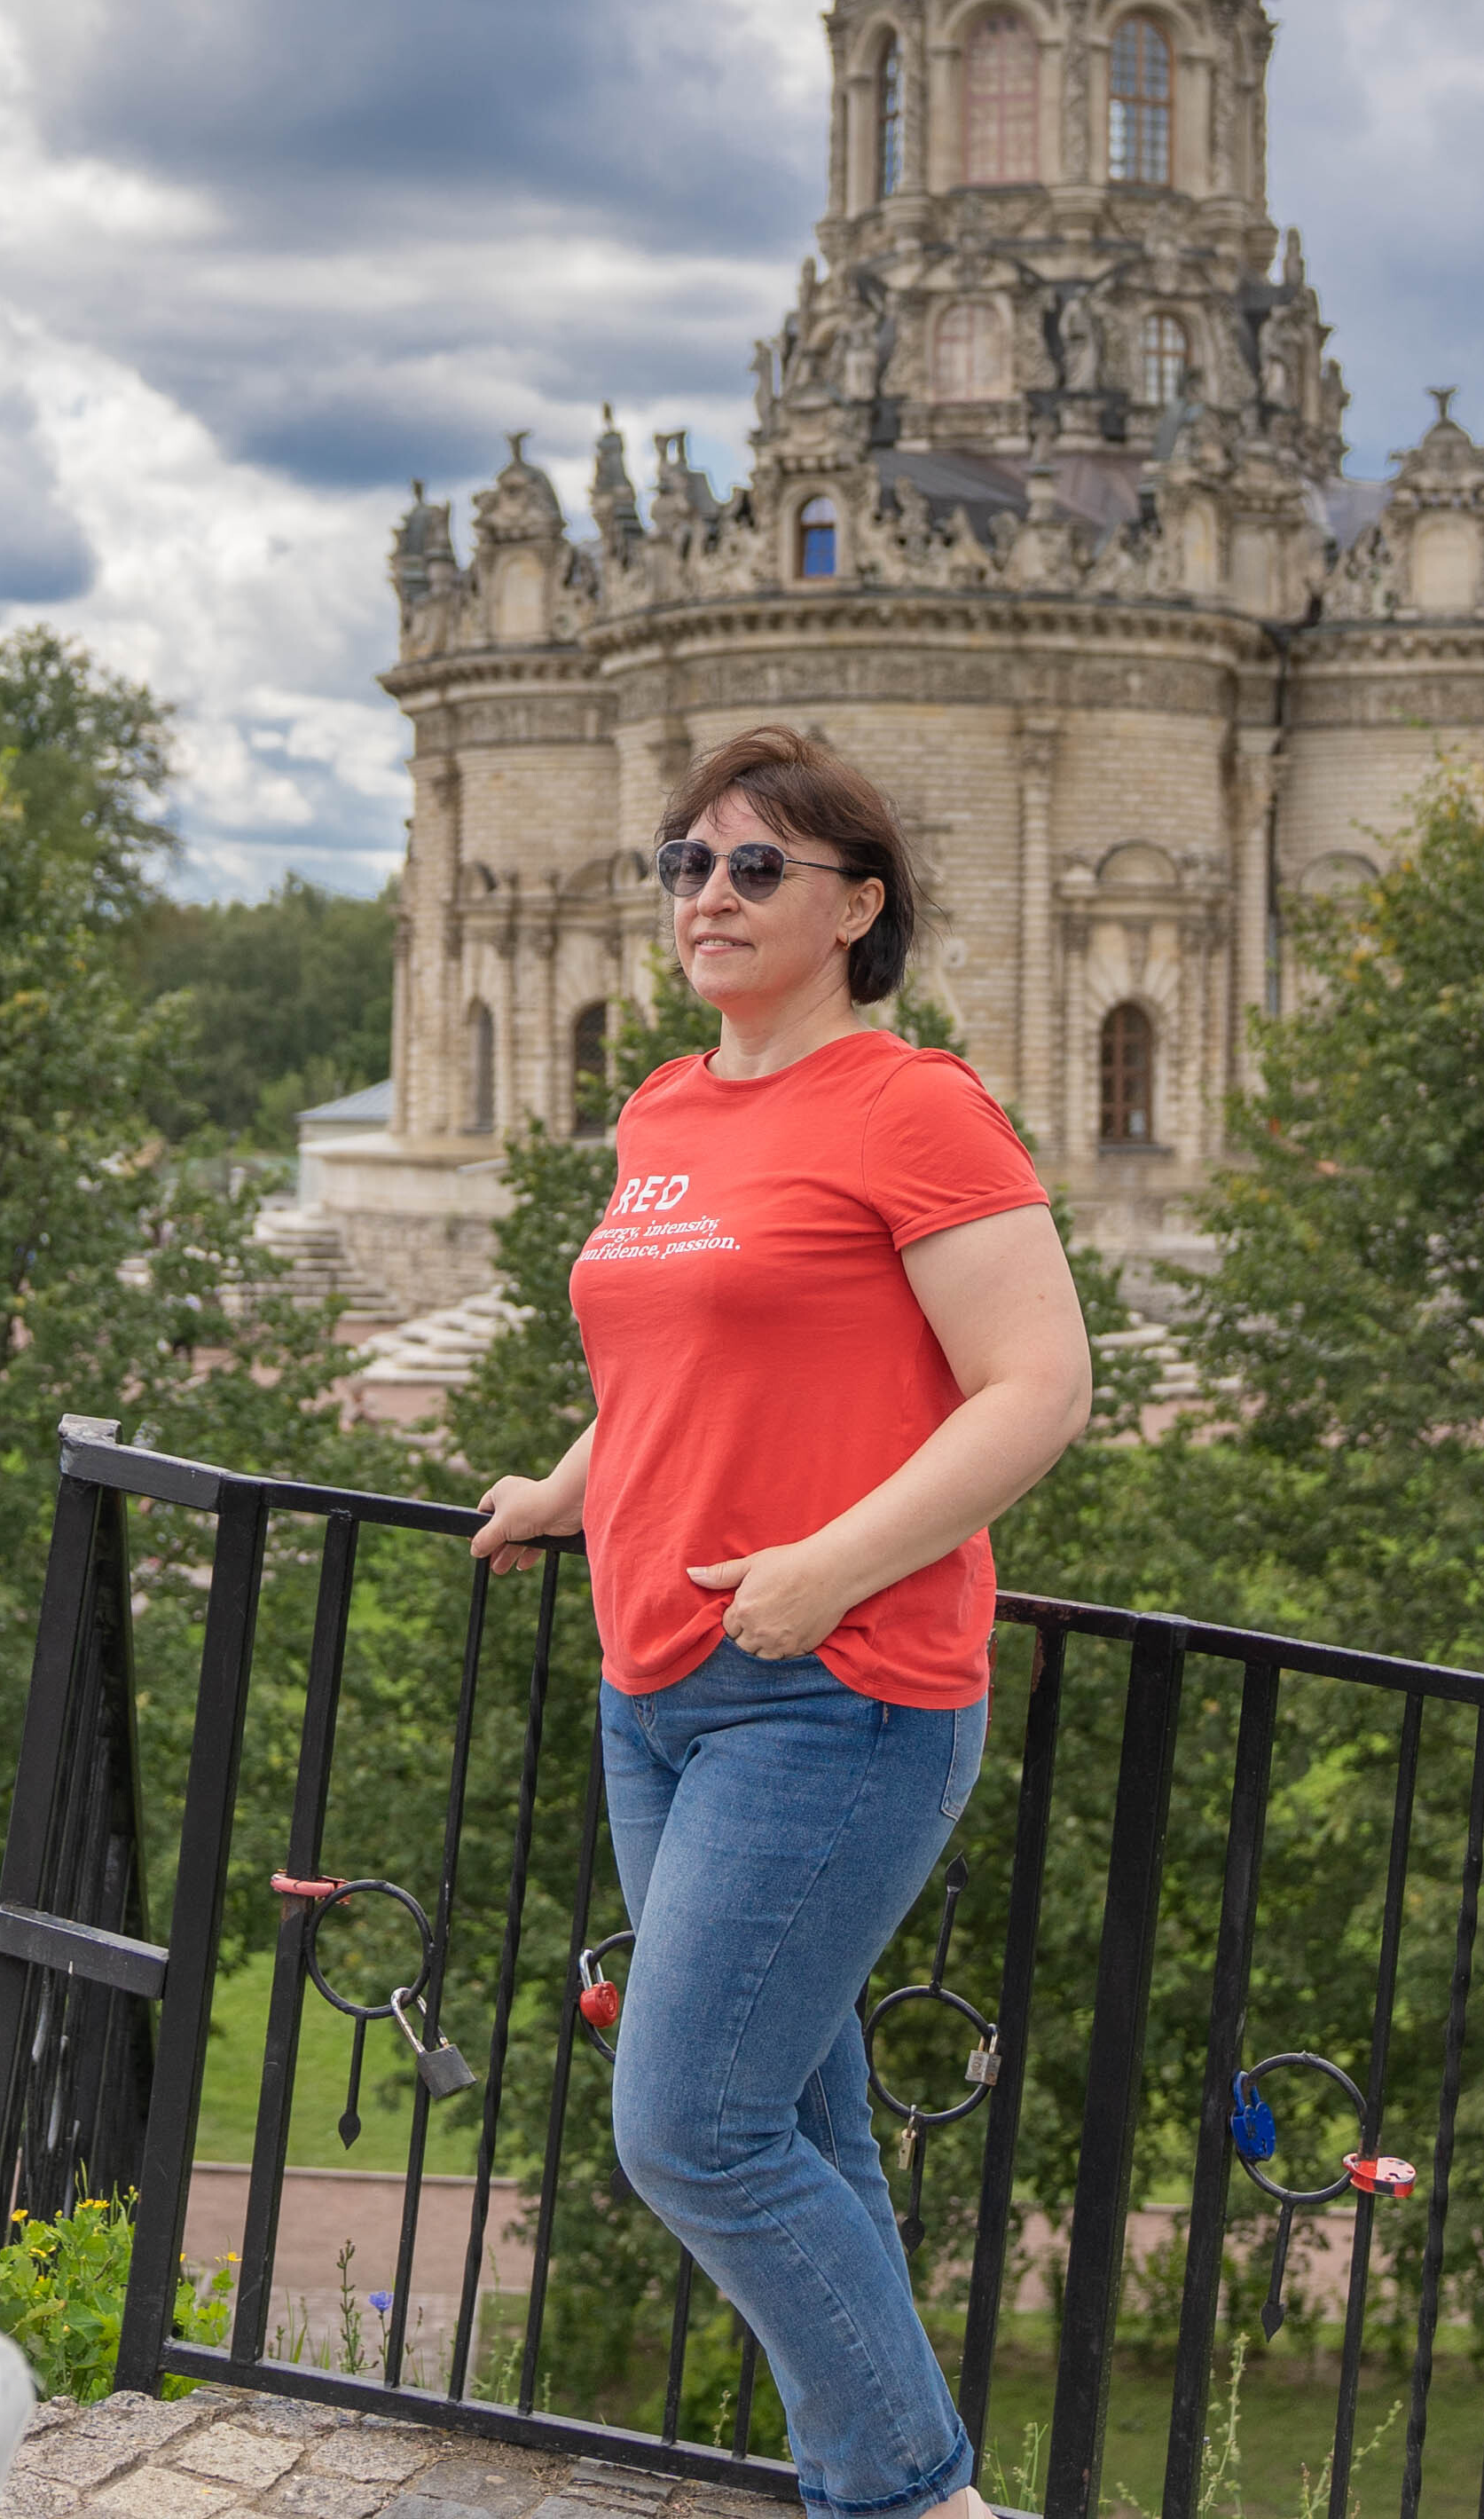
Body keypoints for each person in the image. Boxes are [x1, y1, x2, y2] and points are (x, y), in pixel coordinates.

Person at [466, 728, 1094, 2519]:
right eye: (690, 863)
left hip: (839, 1691)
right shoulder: (668, 1106)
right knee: (796, 2123)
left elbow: (1037, 1384)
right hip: (657, 1686)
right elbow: (677, 1357)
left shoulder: (915, 1104)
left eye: (757, 867)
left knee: (687, 2124)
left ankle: (916, 2491)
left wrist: (828, 1560)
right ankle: (862, 2488)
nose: (710, 896)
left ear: (856, 905)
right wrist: (565, 1487)